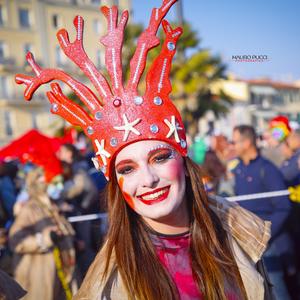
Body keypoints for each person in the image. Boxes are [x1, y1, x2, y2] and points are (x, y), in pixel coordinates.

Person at [16, 1, 272, 299]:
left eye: (160, 158)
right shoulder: (105, 285)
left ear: (183, 161)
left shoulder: (242, 233)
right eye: (127, 169)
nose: (148, 179)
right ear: (115, 182)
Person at [231, 125, 294, 299]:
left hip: (269, 243)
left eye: (234, 142)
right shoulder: (238, 169)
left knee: (277, 291)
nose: (232, 146)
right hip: (248, 241)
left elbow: (283, 206)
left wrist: (265, 235)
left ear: (247, 142)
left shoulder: (267, 169)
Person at [9, 167, 76, 300]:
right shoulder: (29, 208)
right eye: (53, 182)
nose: (56, 185)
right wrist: (45, 239)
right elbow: (16, 241)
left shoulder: (53, 206)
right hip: (41, 273)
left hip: (63, 270)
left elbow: (63, 229)